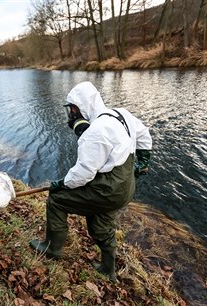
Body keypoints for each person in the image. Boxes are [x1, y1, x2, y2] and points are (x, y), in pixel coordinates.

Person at [29, 81, 152, 282]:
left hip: (108, 190)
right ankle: (108, 269)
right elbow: (144, 134)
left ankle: (52, 249)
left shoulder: (94, 133)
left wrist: (60, 184)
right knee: (100, 226)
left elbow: (83, 174)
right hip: (126, 187)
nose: (71, 116)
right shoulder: (121, 114)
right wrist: (143, 162)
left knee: (57, 200)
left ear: (79, 108)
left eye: (72, 111)